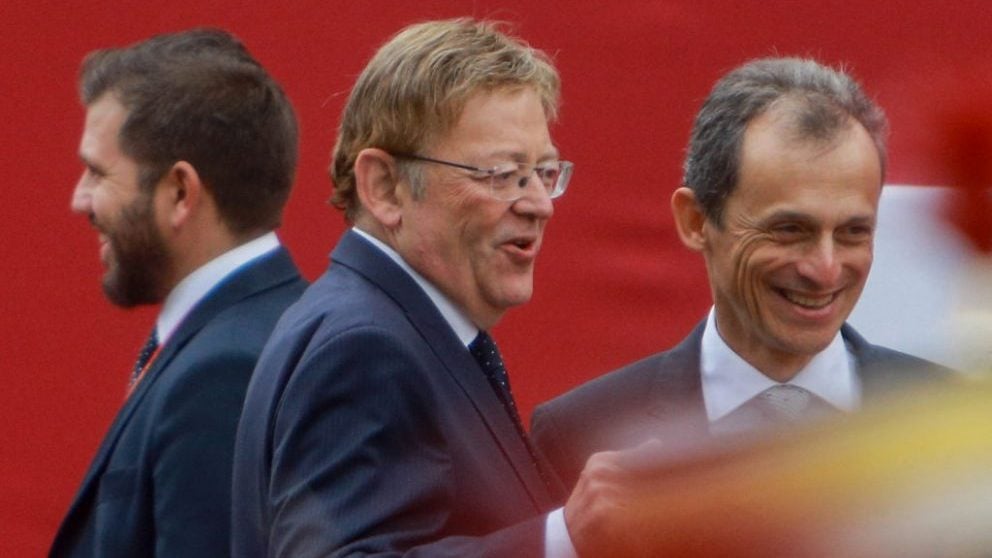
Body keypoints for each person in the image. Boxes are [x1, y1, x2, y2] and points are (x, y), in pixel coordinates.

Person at [232, 18, 587, 557]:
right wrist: (564, 539)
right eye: (501, 174)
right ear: (384, 187)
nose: (538, 203)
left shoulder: (396, 328)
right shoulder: (363, 349)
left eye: (543, 172)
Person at [531, 57, 954, 492]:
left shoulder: (956, 425)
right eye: (789, 230)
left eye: (852, 232)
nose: (825, 269)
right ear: (696, 221)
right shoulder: (580, 438)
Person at [50, 29, 306, 557]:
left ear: (180, 192)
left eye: (98, 172)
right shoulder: (256, 329)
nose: (79, 199)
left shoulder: (225, 372)